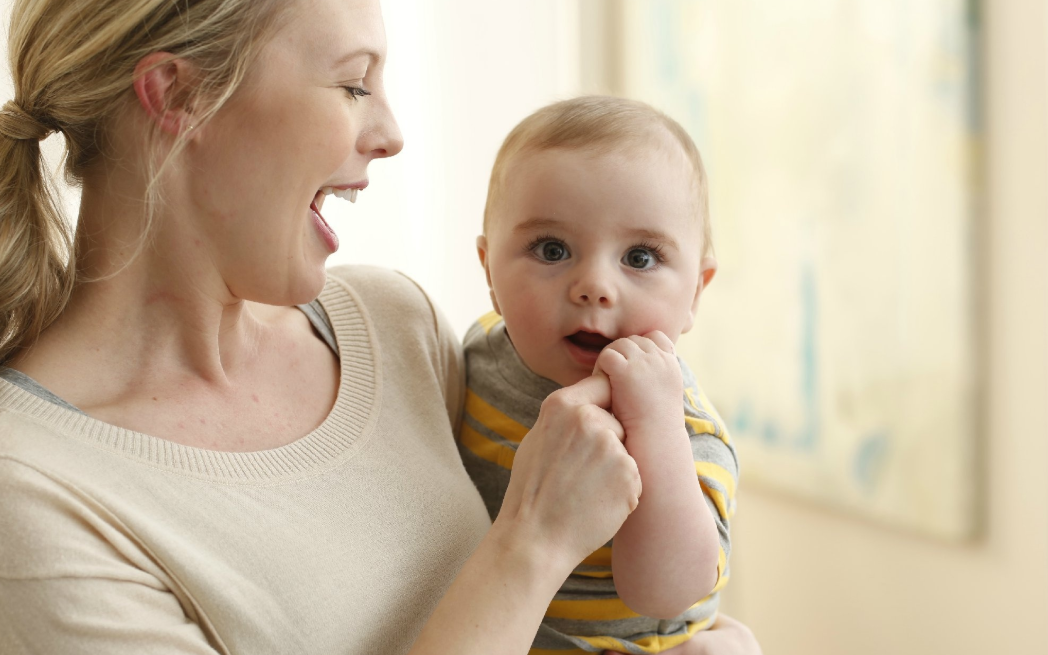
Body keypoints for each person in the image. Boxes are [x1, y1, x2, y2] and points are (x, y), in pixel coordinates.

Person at [0, 0, 760, 652]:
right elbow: (543, 537)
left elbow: (636, 601)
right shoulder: (33, 493)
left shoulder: (400, 327)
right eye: (354, 83)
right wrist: (533, 542)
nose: (392, 132)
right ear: (178, 94)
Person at [460, 96, 737, 654]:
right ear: (489, 269)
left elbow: (666, 593)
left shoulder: (683, 427)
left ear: (695, 294)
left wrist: (652, 427)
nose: (594, 285)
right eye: (552, 248)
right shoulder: (474, 356)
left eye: (639, 258)